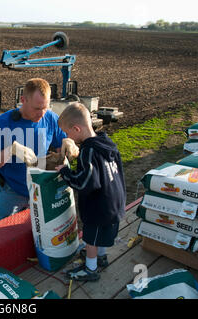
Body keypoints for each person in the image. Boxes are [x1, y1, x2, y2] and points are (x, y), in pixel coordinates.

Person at [0, 78, 78, 221]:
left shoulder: (50, 118)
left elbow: (61, 148)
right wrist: (10, 151)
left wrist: (70, 144)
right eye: (37, 108)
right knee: (5, 235)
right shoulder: (3, 123)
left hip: (42, 189)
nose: (42, 113)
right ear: (23, 100)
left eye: (45, 107)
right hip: (12, 193)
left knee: (38, 233)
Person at [55, 102, 126, 282]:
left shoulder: (88, 151)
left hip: (99, 206)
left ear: (77, 129)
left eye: (67, 133)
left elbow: (85, 183)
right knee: (101, 234)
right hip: (115, 200)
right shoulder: (106, 142)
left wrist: (65, 172)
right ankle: (101, 257)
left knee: (91, 238)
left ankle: (91, 268)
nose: (67, 137)